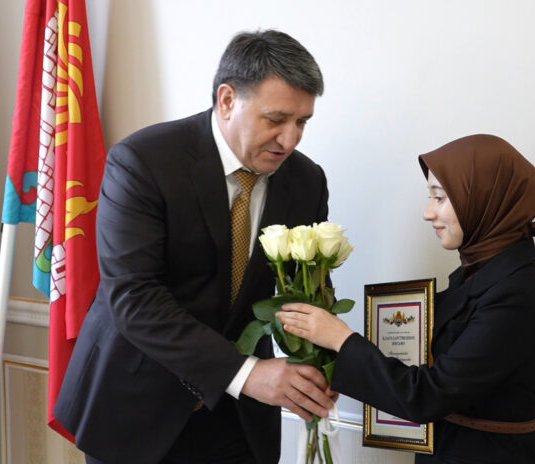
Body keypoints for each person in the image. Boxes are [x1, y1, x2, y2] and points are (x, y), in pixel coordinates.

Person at [54, 30, 335, 464]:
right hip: (136, 406)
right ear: (227, 99)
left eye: (302, 122)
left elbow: (306, 291)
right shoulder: (143, 161)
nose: (290, 139)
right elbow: (134, 297)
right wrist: (244, 374)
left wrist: (328, 362)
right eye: (276, 119)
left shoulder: (306, 181)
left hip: (241, 421)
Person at [278, 134, 535, 463]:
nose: (427, 213)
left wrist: (341, 339)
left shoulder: (512, 296)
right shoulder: (481, 275)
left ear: (483, 199)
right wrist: (340, 365)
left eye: (440, 197)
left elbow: (427, 395)